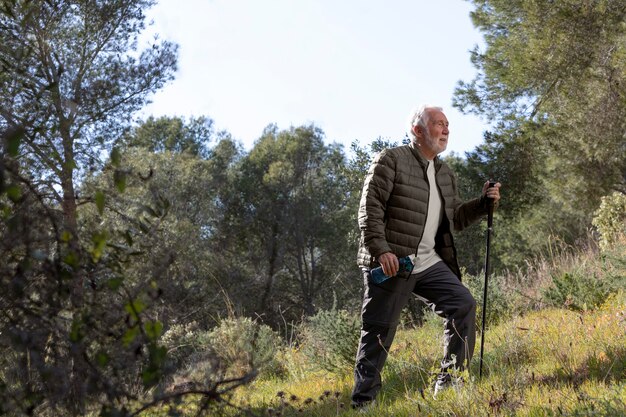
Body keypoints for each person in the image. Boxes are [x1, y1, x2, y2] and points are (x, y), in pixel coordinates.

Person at [351, 104, 501, 408]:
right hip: (393, 262)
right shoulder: (390, 160)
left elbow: (455, 218)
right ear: (417, 130)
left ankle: (449, 386)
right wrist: (381, 251)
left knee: (462, 304)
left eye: (448, 124)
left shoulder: (445, 173)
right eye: (438, 124)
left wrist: (483, 203)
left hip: (430, 262)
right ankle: (363, 403)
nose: (446, 129)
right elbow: (370, 209)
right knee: (379, 331)